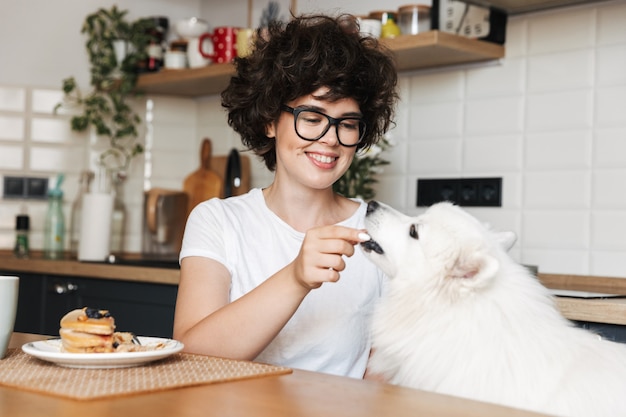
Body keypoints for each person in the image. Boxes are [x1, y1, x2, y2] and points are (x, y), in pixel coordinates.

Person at [173, 13, 398, 379]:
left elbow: (382, 374)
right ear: (269, 120)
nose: (330, 138)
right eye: (312, 117)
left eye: (348, 123)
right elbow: (191, 355)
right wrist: (295, 278)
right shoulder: (217, 220)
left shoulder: (380, 235)